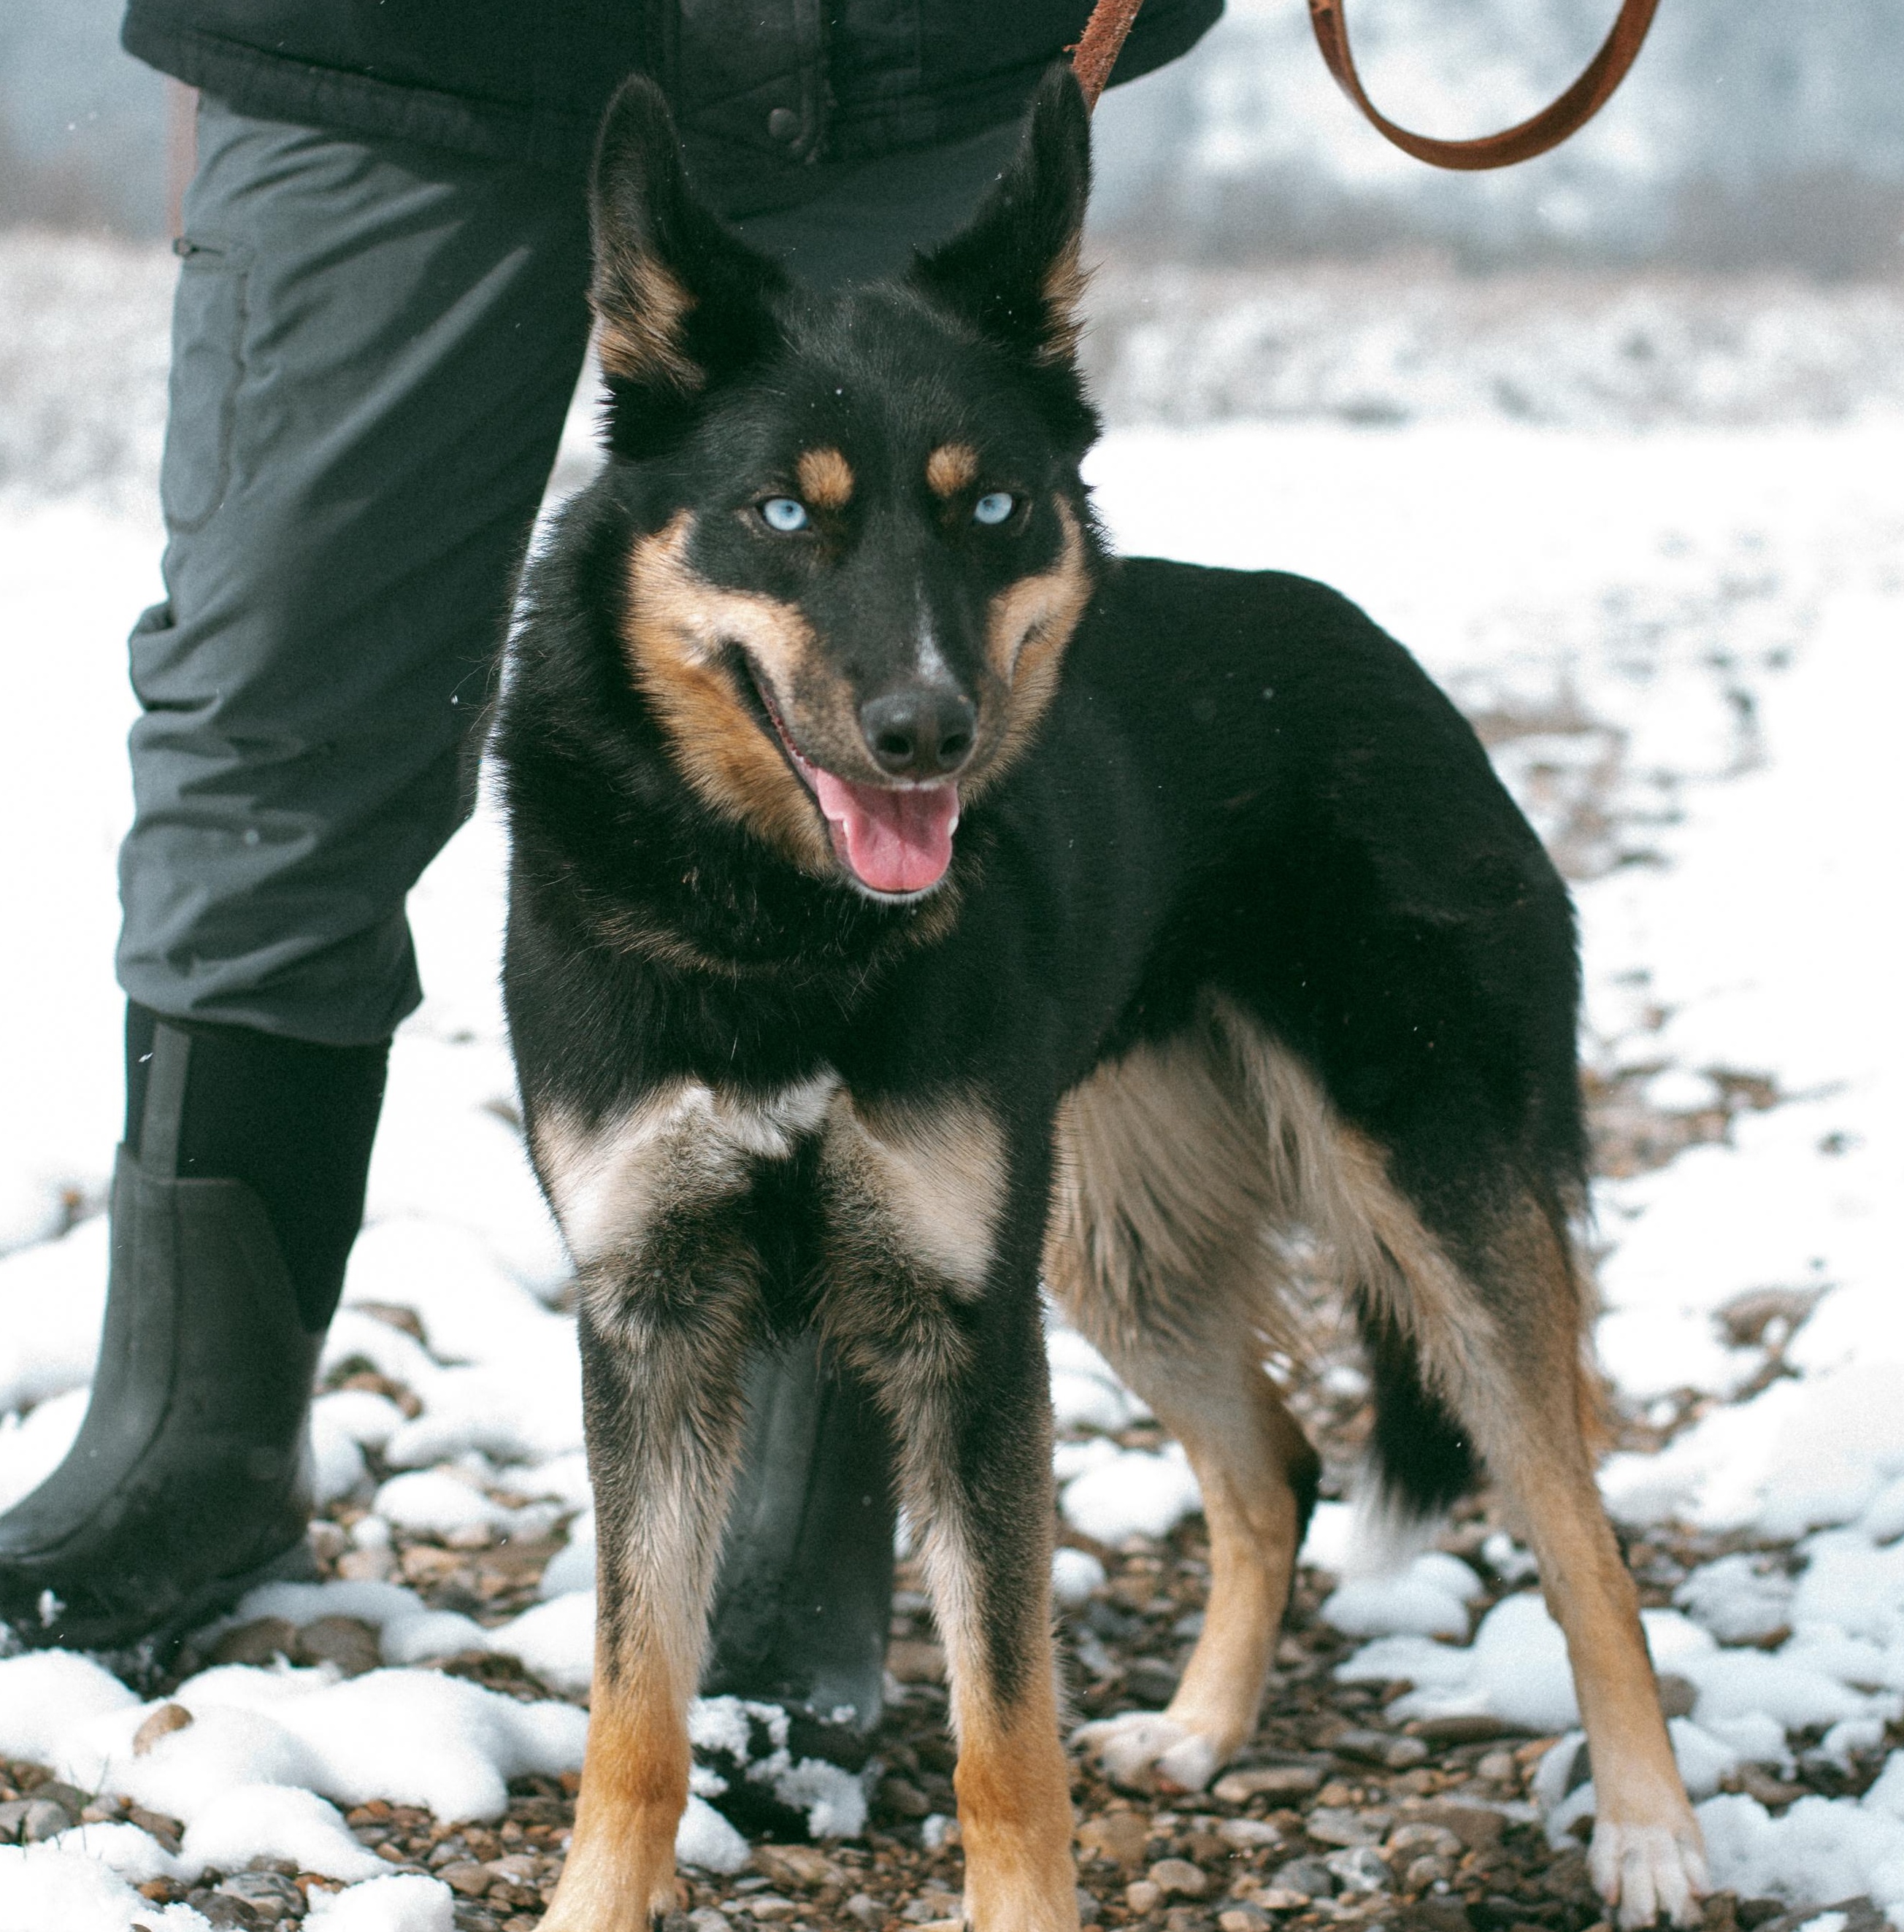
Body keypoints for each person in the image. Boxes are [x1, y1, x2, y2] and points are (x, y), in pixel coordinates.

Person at [0, 0, 1218, 1819]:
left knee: (899, 708)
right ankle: (194, 1440)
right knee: (274, 706)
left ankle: (793, 1553)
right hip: (386, 48)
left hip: (906, 44)